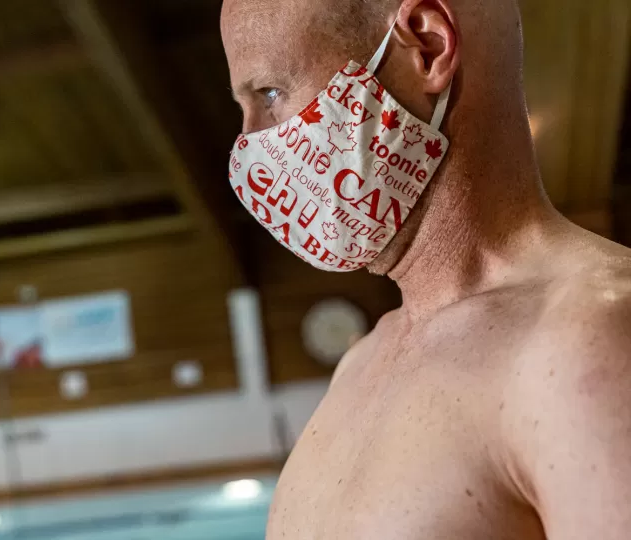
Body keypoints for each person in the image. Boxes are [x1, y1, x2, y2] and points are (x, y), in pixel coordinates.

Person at [222, 0, 631, 538]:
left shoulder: (591, 341)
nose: (250, 142)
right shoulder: (359, 366)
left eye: (270, 94)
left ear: (428, 47)